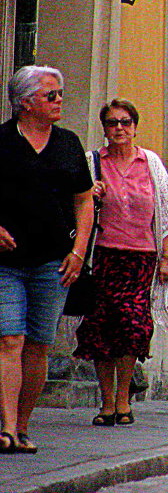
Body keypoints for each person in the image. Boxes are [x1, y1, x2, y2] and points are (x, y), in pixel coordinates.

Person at [74, 99, 168, 427]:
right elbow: (73, 203)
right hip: (104, 255)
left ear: (135, 126)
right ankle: (106, 401)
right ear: (104, 128)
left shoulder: (150, 163)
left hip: (142, 258)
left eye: (125, 122)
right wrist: (89, 194)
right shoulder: (92, 162)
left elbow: (167, 214)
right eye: (112, 123)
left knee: (132, 325)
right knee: (101, 326)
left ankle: (124, 397)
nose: (119, 129)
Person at [0, 66, 93, 453]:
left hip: (54, 262)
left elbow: (84, 199)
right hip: (6, 261)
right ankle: (5, 427)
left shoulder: (68, 144)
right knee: (10, 339)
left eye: (60, 94)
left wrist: (79, 251)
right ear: (25, 103)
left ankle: (22, 426)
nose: (59, 101)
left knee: (38, 344)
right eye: (50, 95)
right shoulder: (2, 141)